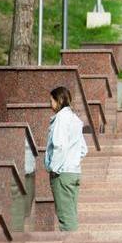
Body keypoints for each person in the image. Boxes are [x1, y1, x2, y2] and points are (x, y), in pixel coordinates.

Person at [45, 86, 88, 232]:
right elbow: (83, 149)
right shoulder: (75, 119)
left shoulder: (61, 119)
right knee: (71, 214)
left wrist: (53, 168)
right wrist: (73, 161)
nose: (50, 105)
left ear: (59, 100)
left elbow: (59, 146)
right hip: (74, 173)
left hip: (62, 174)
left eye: (52, 101)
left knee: (66, 218)